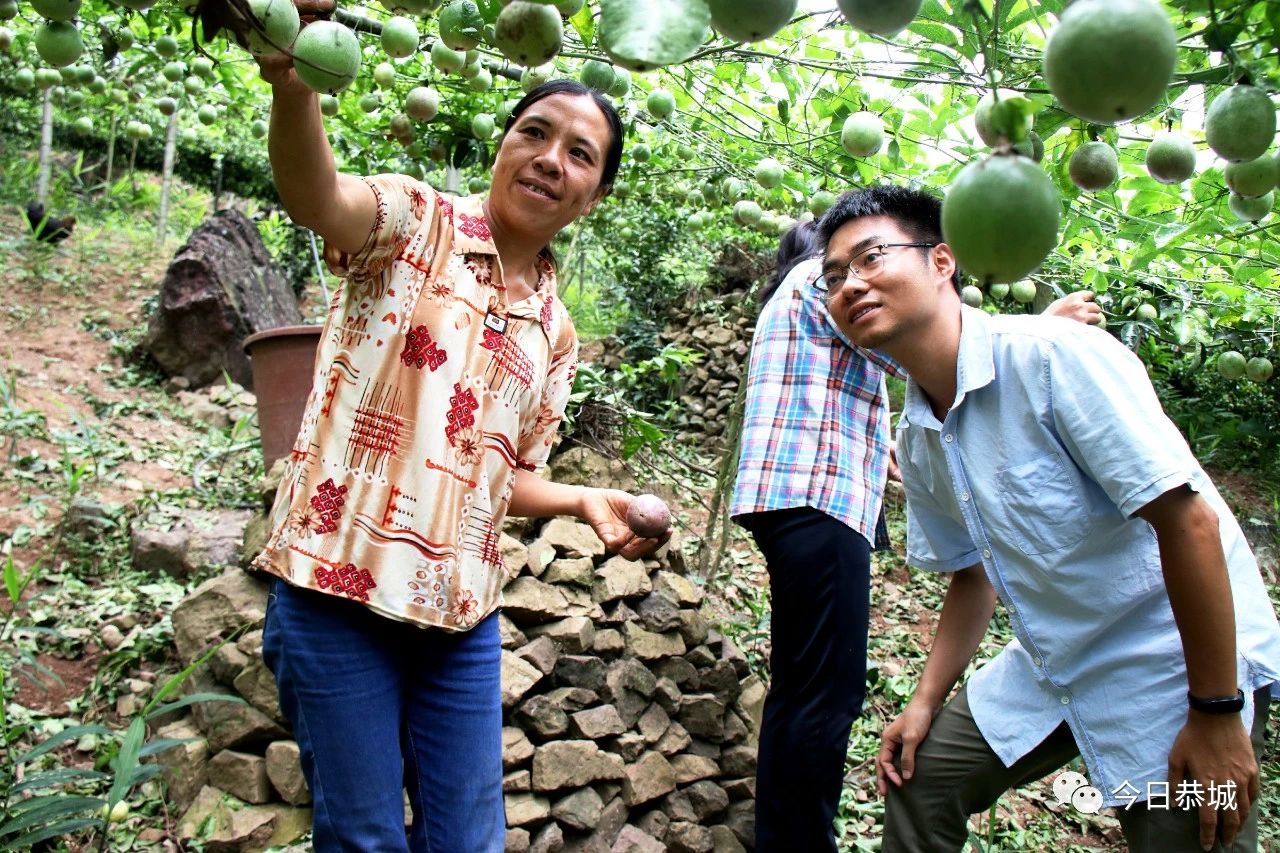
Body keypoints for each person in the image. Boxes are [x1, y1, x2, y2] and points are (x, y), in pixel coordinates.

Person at [249, 32, 667, 852]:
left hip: (460, 617)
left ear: (595, 195)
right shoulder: (414, 222)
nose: (550, 159)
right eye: (535, 133)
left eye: (580, 154)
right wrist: (294, 86)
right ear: (503, 144)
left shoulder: (556, 329)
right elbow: (318, 197)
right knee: (366, 836)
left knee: (469, 841)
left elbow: (504, 479)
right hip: (339, 595)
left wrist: (583, 497)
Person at [816, 184, 1280, 852]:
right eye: (834, 277)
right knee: (921, 782)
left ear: (942, 262)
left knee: (1187, 831)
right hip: (1057, 656)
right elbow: (970, 578)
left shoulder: (1053, 358)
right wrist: (921, 702)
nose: (851, 285)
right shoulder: (917, 434)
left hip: (1174, 657)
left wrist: (1217, 710)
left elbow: (1190, 523)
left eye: (871, 257)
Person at [731, 217, 1101, 851]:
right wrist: (1046, 327)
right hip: (816, 496)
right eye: (841, 260)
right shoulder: (815, 284)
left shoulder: (795, 300)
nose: (852, 276)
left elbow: (850, 389)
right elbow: (919, 338)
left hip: (800, 495)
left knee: (806, 686)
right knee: (826, 694)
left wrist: (882, 450)